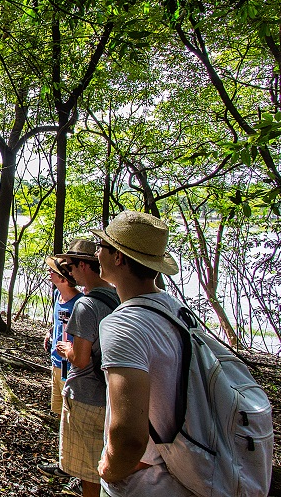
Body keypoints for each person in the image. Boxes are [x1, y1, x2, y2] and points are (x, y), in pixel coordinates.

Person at [91, 210, 193, 496]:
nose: (96, 253)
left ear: (118, 257)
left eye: (102, 247)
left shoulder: (124, 324)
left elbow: (129, 437)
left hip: (146, 484)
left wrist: (109, 470)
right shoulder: (177, 311)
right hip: (183, 473)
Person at [49, 239, 119, 497]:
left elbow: (80, 358)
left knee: (89, 471)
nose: (69, 271)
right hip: (109, 395)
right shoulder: (116, 295)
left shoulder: (86, 305)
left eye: (70, 266)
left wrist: (66, 350)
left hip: (87, 396)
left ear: (83, 266)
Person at [38, 255, 82, 488]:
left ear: (65, 278)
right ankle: (65, 462)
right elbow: (58, 323)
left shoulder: (81, 305)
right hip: (55, 364)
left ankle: (77, 470)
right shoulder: (57, 296)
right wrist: (50, 333)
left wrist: (71, 350)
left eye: (53, 272)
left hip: (72, 369)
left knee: (73, 417)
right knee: (61, 415)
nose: (49, 274)